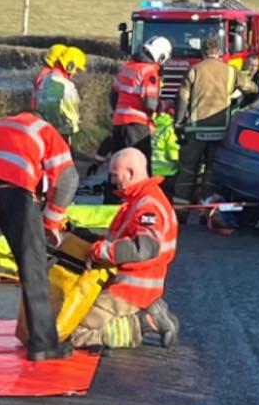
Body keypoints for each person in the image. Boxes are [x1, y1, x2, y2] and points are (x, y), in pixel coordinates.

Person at [0, 111, 79, 361]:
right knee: (32, 270)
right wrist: (51, 221)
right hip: (14, 190)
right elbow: (68, 178)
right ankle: (43, 344)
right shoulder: (42, 128)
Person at [71, 147, 180, 351]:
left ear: (130, 173)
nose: (112, 181)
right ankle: (151, 311)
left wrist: (100, 251)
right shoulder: (140, 200)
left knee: (73, 331)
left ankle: (142, 325)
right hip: (131, 286)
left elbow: (143, 249)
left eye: (115, 175)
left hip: (128, 289)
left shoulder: (147, 207)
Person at [173, 36, 254, 212]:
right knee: (211, 172)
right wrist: (244, 103)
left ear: (203, 52)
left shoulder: (194, 71)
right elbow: (252, 88)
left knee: (187, 171)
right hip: (220, 130)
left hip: (195, 130)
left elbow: (182, 100)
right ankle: (207, 211)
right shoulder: (231, 72)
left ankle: (180, 212)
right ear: (220, 52)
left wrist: (178, 124)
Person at [109, 35, 171, 157]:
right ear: (161, 57)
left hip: (119, 124)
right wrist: (165, 105)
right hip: (137, 127)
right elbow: (150, 103)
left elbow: (113, 96)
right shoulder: (149, 72)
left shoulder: (127, 67)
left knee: (118, 163)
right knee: (139, 164)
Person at [35, 45, 85, 142]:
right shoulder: (57, 82)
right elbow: (52, 106)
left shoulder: (52, 79)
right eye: (76, 69)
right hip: (59, 133)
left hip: (59, 130)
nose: (75, 72)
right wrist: (58, 128)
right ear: (69, 65)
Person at [151, 105, 181, 199]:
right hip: (168, 174)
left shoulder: (152, 127)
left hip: (151, 174)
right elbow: (174, 154)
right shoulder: (169, 129)